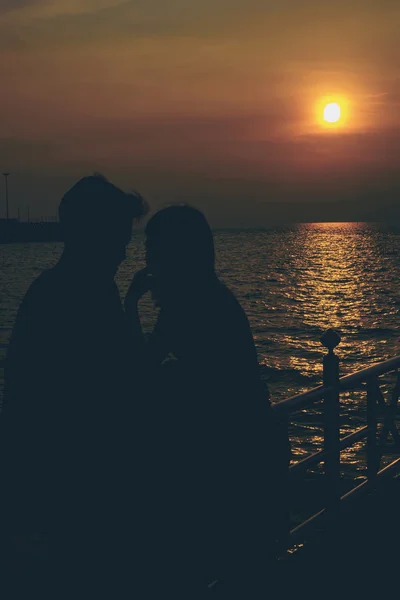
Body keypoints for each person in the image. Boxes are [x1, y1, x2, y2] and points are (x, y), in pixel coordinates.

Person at [125, 205, 290, 597]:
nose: (146, 255)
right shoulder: (210, 297)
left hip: (231, 458)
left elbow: (142, 369)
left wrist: (130, 304)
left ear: (174, 251)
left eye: (153, 245)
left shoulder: (190, 304)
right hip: (250, 449)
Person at [0, 174, 149, 597]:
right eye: (119, 238)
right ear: (94, 234)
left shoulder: (64, 290)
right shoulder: (74, 296)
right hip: (74, 491)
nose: (124, 251)